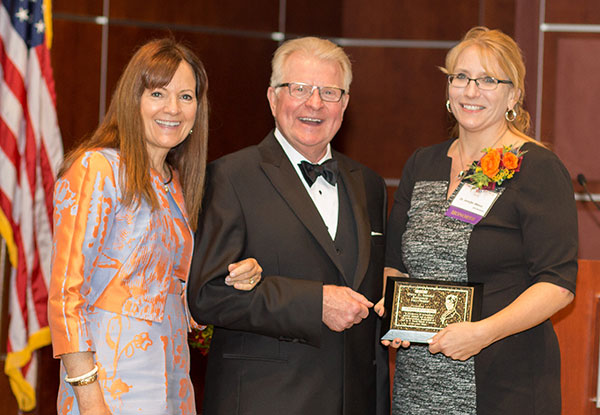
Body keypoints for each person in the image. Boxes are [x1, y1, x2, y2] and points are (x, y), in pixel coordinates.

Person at [48, 38, 262, 415]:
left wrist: (226, 283)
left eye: (186, 96)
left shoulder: (176, 184)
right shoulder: (99, 169)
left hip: (173, 383)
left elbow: (172, 297)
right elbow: (66, 294)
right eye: (158, 93)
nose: (172, 109)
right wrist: (88, 396)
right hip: (110, 385)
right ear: (134, 100)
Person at [377, 26, 578, 414]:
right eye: (461, 78)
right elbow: (395, 264)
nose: (471, 91)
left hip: (504, 377)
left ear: (513, 94)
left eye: (488, 80)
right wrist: (397, 311)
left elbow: (558, 284)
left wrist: (481, 334)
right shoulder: (423, 163)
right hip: (419, 381)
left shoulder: (536, 169)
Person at [187, 36, 389, 415]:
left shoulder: (370, 185)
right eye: (299, 89)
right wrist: (316, 304)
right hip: (265, 403)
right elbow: (208, 295)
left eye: (329, 92)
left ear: (345, 103)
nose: (315, 103)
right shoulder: (230, 177)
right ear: (272, 97)